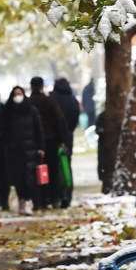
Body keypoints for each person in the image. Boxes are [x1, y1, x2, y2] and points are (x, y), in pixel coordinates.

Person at [0, 86, 45, 216]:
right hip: (14, 151)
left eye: (19, 94)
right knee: (18, 179)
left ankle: (28, 202)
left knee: (30, 178)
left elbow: (39, 130)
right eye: (15, 94)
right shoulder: (8, 112)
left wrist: (41, 147)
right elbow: (0, 129)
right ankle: (22, 201)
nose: (17, 96)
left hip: (30, 151)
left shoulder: (31, 111)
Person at [28, 76, 67, 210]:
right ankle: (54, 198)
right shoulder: (50, 102)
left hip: (33, 143)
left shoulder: (28, 103)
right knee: (52, 171)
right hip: (51, 141)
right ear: (42, 86)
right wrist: (61, 140)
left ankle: (40, 200)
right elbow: (58, 121)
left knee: (35, 173)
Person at [50, 78, 80, 208]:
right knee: (66, 165)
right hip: (68, 137)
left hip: (53, 138)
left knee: (54, 167)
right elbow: (75, 118)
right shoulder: (72, 99)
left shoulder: (51, 98)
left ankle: (55, 196)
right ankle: (67, 194)